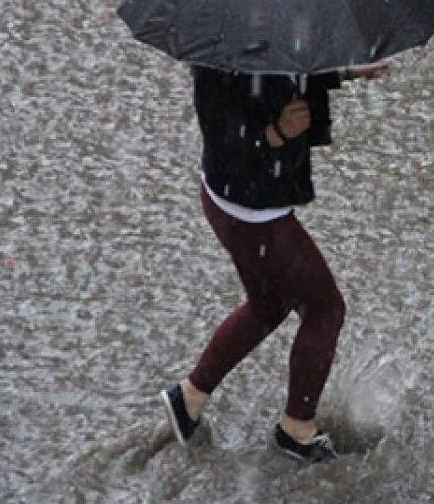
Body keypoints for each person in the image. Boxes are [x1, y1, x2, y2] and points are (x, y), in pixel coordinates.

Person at [159, 59, 390, 462]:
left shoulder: (260, 37)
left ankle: (189, 397)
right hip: (251, 212)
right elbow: (225, 132)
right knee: (325, 308)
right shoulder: (221, 58)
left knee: (268, 305)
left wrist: (346, 72)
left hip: (234, 200)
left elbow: (283, 72)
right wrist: (277, 133)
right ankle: (296, 428)